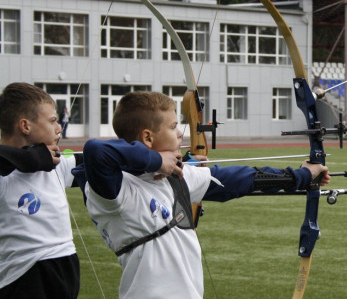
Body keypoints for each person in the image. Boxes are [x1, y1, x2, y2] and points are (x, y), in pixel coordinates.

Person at [71, 91, 330, 299]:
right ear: (148, 138)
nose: (180, 133)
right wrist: (156, 161)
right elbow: (96, 150)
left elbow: (240, 179)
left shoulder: (174, 177)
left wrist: (302, 176)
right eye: (173, 127)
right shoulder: (113, 192)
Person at [0, 82, 82, 299]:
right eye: (53, 121)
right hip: (24, 279)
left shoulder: (56, 165)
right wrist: (31, 157)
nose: (59, 128)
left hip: (65, 271)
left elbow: (101, 158)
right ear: (25, 126)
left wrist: (155, 158)